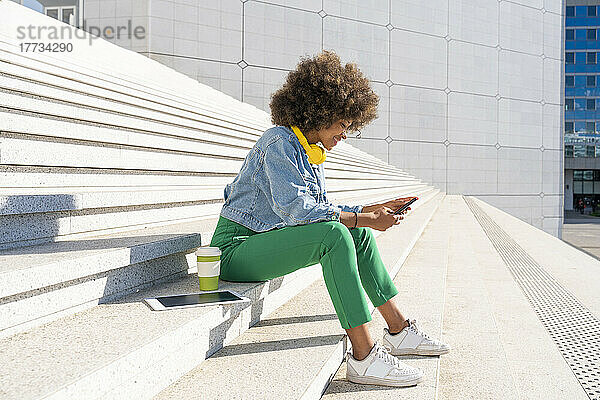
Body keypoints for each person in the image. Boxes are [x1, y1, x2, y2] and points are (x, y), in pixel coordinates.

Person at [209, 51, 449, 388]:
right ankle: (364, 358)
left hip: (266, 243)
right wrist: (364, 217)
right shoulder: (279, 141)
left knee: (357, 235)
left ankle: (399, 330)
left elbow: (317, 207)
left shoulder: (311, 151)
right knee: (337, 235)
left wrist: (372, 208)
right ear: (319, 112)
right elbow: (297, 211)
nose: (345, 134)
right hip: (236, 249)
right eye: (343, 124)